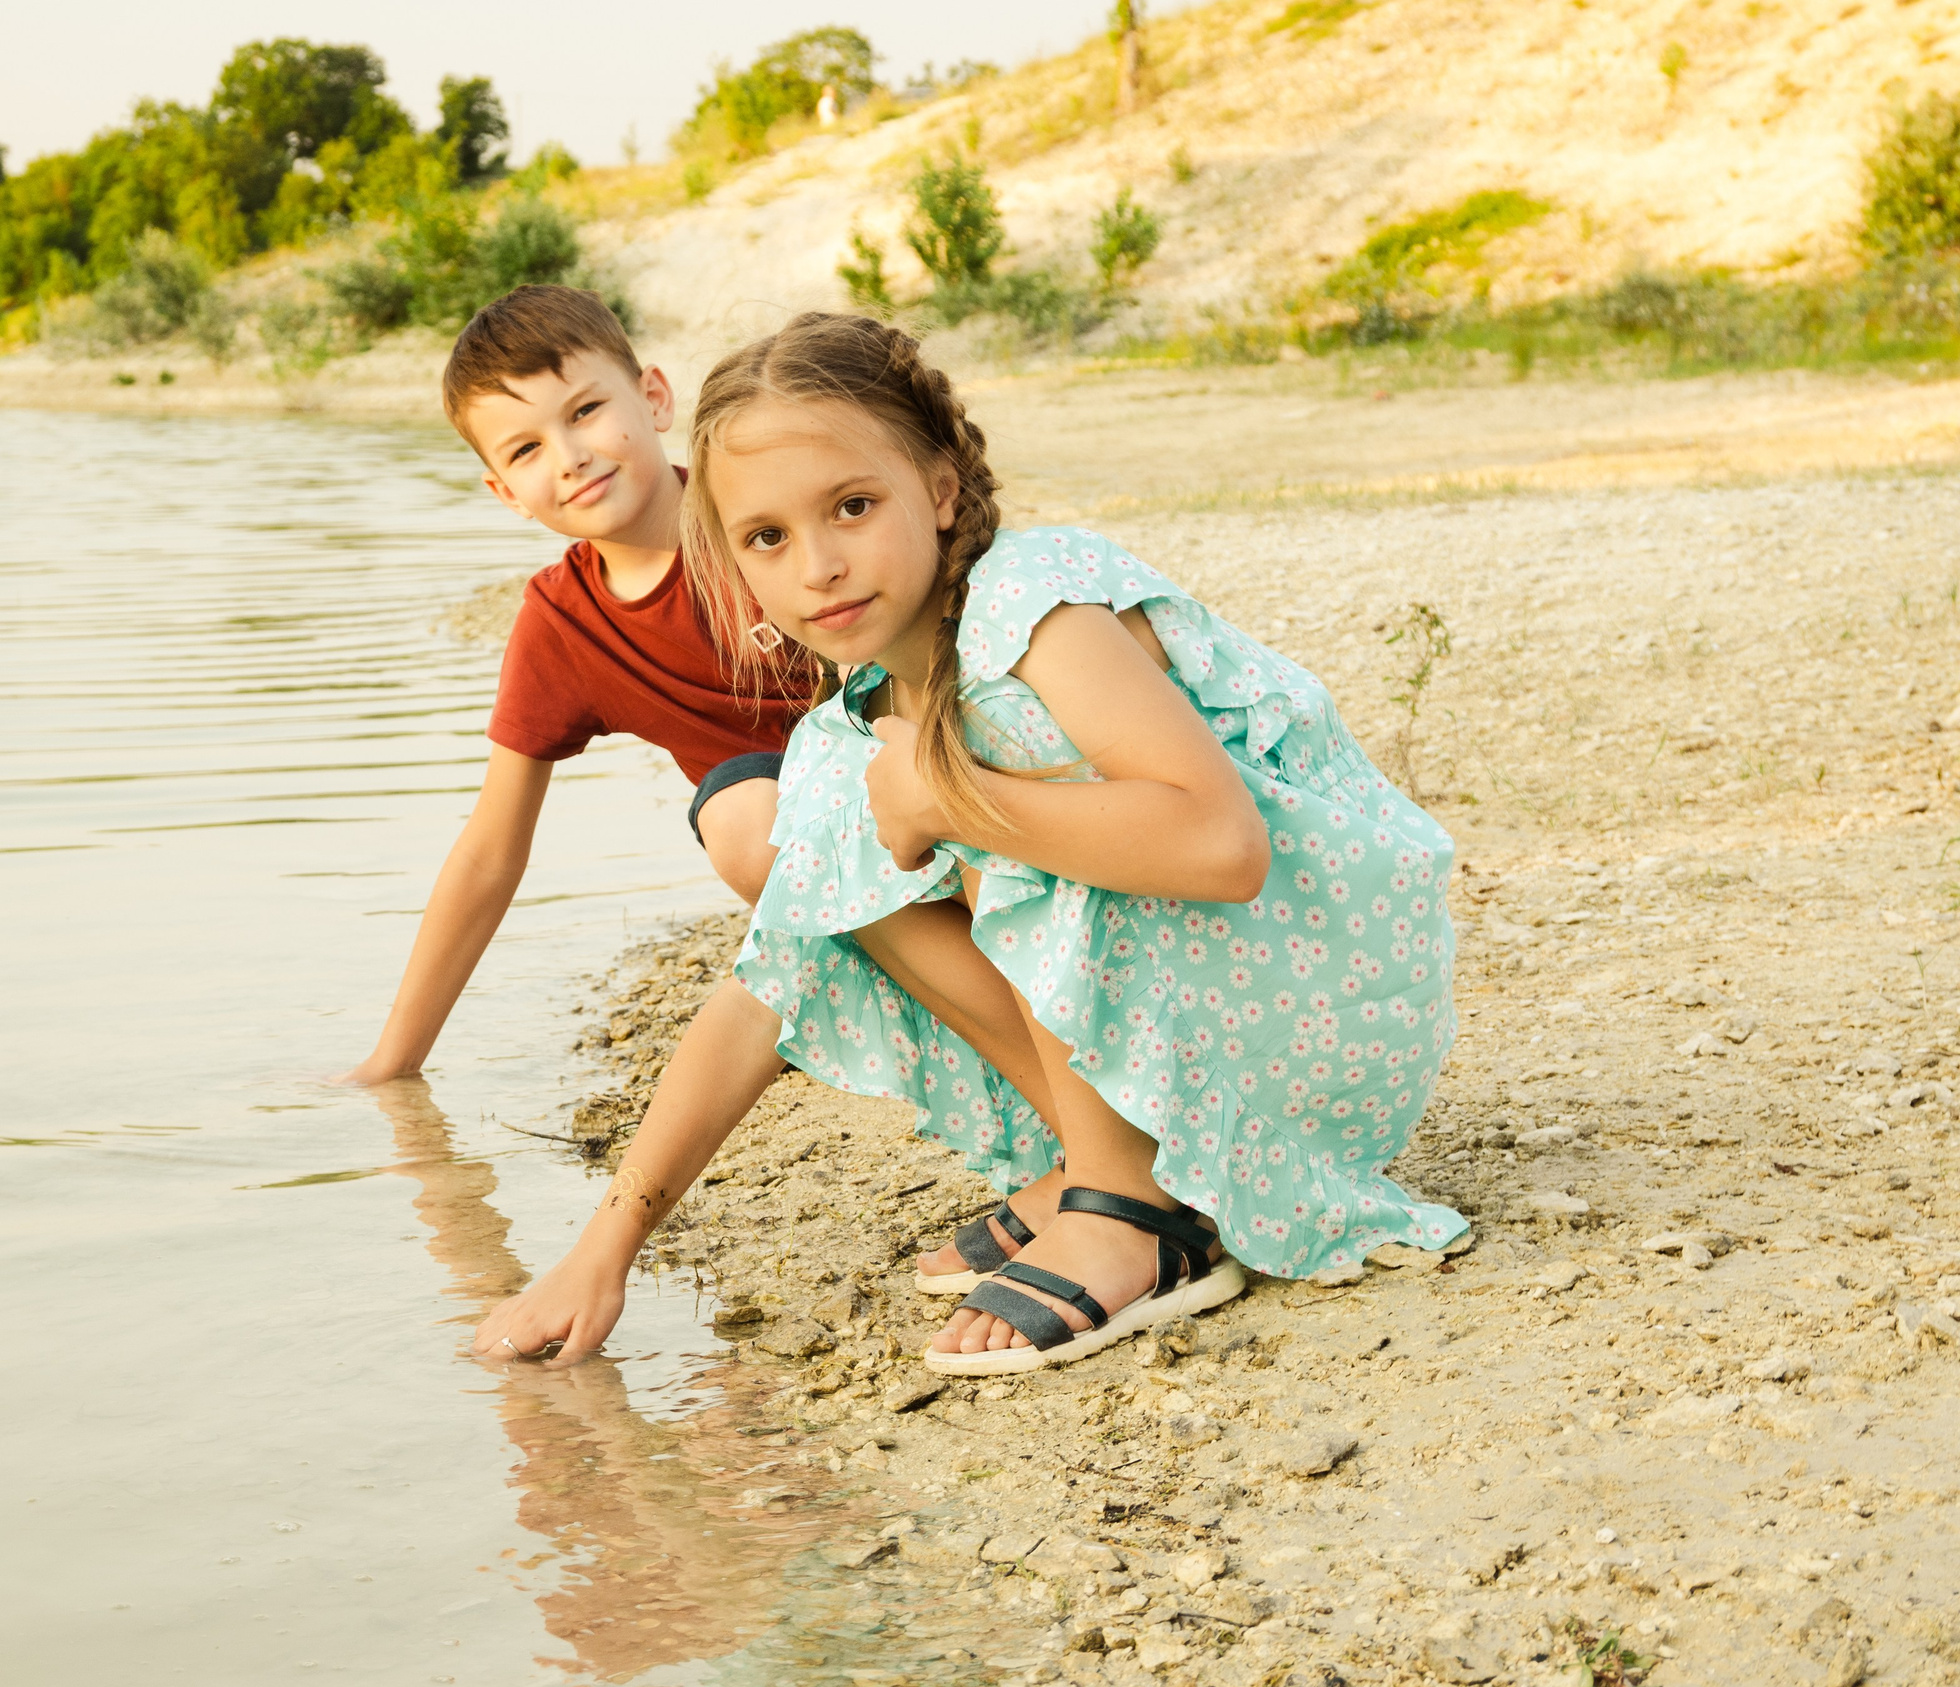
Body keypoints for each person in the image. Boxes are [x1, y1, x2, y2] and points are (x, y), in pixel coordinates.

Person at [473, 312, 1469, 1373]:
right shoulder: (854, 720)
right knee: (840, 849)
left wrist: (948, 795)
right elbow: (762, 985)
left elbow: (1223, 847)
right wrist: (605, 1248)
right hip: (1221, 1015)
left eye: (852, 507)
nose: (818, 566)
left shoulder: (1030, 606)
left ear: (940, 490)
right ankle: (1134, 1163)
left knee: (967, 762)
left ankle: (1134, 1207)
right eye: (767, 539)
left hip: (1320, 985)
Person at [336, 285, 808, 1085]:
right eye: (524, 450)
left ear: (654, 397)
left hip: (926, 780)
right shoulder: (563, 625)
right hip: (793, 848)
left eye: (586, 411)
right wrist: (395, 1061)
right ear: (504, 493)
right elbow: (491, 850)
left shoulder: (766, 512)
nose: (569, 455)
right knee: (741, 813)